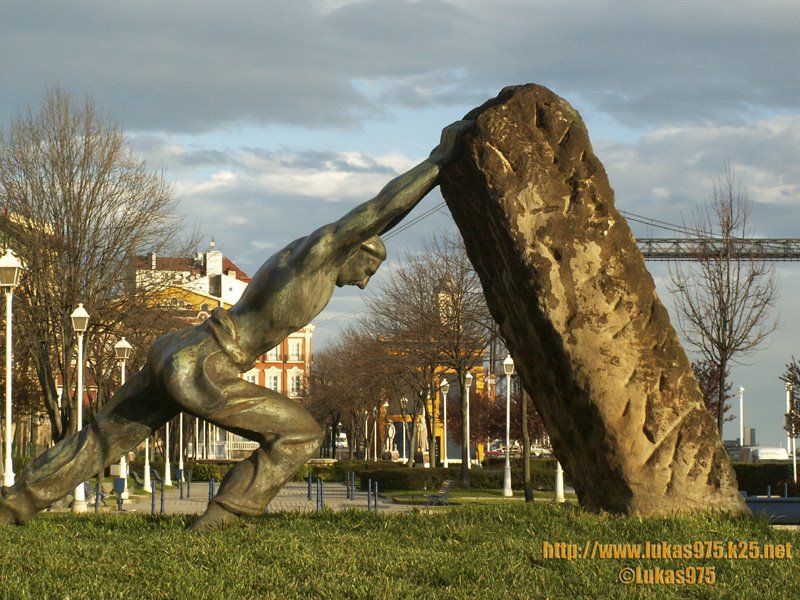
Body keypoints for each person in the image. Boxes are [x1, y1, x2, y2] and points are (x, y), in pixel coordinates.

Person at [0, 120, 472, 529]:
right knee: (302, 433)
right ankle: (225, 516)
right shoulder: (315, 258)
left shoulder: (296, 259)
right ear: (355, 247)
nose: (365, 284)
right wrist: (438, 162)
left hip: (181, 346)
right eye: (368, 271)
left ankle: (15, 503)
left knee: (106, 434)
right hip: (207, 361)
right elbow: (379, 208)